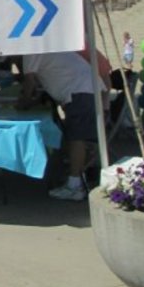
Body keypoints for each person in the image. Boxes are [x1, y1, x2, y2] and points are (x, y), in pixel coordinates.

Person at [17, 50, 105, 201]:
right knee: (77, 136)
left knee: (77, 138)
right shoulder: (47, 46)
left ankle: (75, 185)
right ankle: (79, 176)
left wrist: (24, 102)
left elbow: (30, 81)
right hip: (86, 89)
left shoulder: (31, 50)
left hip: (80, 92)